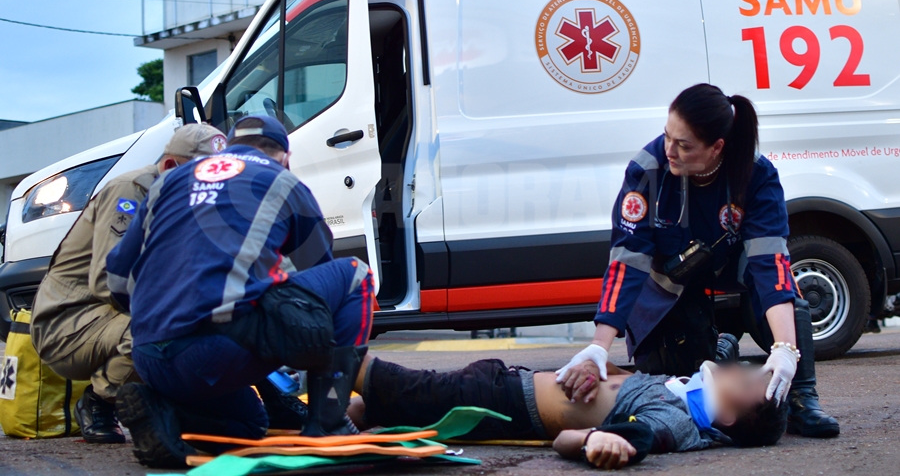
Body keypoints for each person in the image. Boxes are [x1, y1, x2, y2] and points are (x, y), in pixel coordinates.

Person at [555, 84, 839, 438]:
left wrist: (785, 349)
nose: (669, 150)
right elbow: (627, 261)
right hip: (673, 287)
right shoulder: (648, 171)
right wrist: (600, 344)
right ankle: (721, 351)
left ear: (716, 148)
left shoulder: (755, 174)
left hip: (739, 275)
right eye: (667, 136)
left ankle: (800, 399)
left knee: (789, 299)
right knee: (678, 385)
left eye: (684, 145)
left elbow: (771, 262)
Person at [104, 115, 376, 468]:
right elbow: (317, 290)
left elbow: (117, 281)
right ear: (285, 156)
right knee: (356, 276)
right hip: (215, 354)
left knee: (251, 424)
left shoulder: (167, 183)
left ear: (230, 148)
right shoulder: (282, 180)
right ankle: (328, 420)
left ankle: (167, 411)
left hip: (149, 358)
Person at [31, 123, 227, 444]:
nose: (216, 181)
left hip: (111, 316)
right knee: (166, 325)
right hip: (68, 323)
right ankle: (99, 400)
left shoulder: (189, 197)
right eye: (207, 173)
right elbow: (108, 282)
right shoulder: (133, 190)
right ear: (169, 167)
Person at [349, 354, 788, 470]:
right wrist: (597, 364)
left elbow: (624, 437)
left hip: (497, 402)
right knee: (371, 408)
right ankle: (298, 410)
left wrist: (598, 440)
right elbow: (620, 386)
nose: (742, 370)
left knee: (383, 380)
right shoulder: (685, 394)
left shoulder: (674, 423)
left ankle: (299, 338)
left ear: (728, 418)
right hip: (505, 381)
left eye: (749, 382)